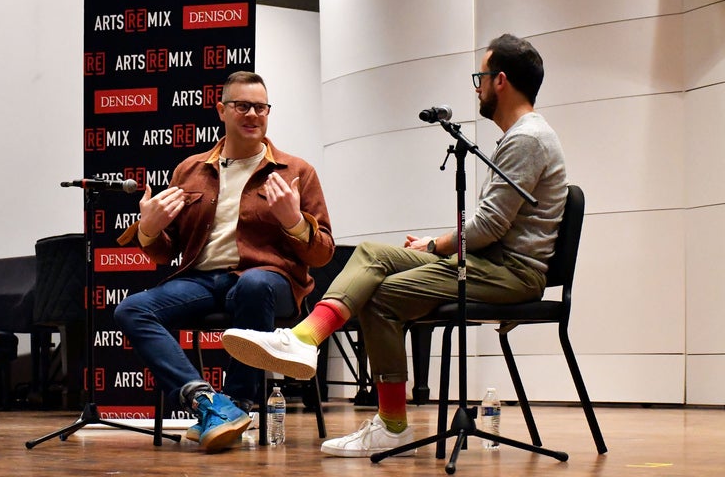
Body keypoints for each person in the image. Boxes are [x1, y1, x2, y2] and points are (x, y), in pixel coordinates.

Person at [221, 34, 568, 457]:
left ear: (500, 81)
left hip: (510, 273)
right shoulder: (523, 136)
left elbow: (489, 227)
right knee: (370, 253)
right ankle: (303, 339)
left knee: (381, 298)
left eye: (480, 76)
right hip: (489, 261)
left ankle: (393, 426)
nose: (475, 86)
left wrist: (436, 246)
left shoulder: (527, 138)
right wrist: (433, 245)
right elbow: (489, 228)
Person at [113, 71, 334, 452]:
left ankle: (239, 402)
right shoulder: (191, 170)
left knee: (253, 285)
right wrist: (148, 229)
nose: (252, 114)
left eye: (260, 107)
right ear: (221, 110)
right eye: (242, 106)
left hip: (271, 280)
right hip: (202, 281)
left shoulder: (296, 171)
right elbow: (167, 252)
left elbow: (323, 252)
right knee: (131, 310)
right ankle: (209, 403)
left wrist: (294, 222)